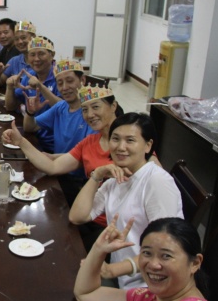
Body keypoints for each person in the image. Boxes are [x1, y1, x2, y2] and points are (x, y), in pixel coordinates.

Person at [70, 112, 183, 289]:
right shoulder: (115, 179)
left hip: (149, 285)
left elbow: (166, 247)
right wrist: (97, 175)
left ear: (148, 146)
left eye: (130, 140)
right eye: (115, 139)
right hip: (122, 279)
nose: (121, 147)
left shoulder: (157, 181)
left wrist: (112, 270)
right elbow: (77, 216)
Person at [2, 85, 123, 249]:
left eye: (96, 107)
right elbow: (53, 166)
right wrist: (21, 142)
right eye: (85, 110)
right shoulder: (90, 142)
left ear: (113, 106)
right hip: (87, 217)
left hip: (117, 228)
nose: (90, 115)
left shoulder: (130, 144)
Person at [74, 216, 218, 301]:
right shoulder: (149, 299)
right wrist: (99, 249)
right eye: (147, 253)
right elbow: (86, 292)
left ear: (195, 263)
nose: (153, 264)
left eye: (166, 256)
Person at [23, 58, 95, 205]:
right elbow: (30, 127)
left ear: (82, 80)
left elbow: (87, 156)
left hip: (79, 181)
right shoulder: (61, 107)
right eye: (60, 83)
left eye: (70, 81)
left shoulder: (92, 114)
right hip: (57, 173)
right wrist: (30, 113)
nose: (65, 87)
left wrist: (51, 157)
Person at [5, 36, 60, 152]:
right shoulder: (29, 75)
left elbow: (65, 108)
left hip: (53, 144)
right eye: (32, 54)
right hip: (31, 134)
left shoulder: (60, 77)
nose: (36, 59)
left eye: (41, 54)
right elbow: (10, 106)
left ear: (52, 55)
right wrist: (9, 87)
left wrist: (41, 87)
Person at [0, 20, 35, 88]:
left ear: (33, 37)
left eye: (23, 38)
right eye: (16, 39)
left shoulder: (41, 62)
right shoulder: (14, 61)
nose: (20, 42)